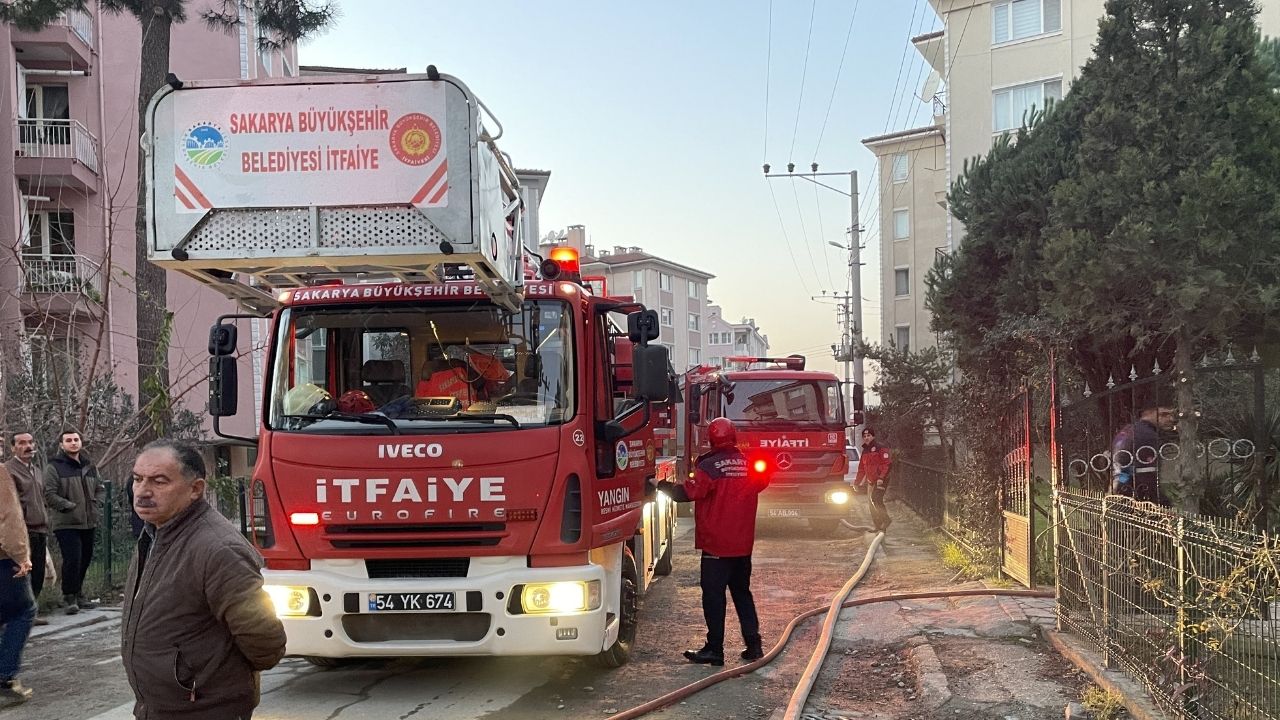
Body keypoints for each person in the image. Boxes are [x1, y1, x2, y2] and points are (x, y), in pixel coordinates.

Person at [123, 440, 286, 720]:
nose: (143, 491)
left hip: (205, 709)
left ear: (195, 489)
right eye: (138, 479)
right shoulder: (156, 534)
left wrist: (213, 677)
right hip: (163, 707)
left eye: (159, 481)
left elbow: (264, 639)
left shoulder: (218, 549)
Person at [657, 417, 767, 666]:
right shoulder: (748, 464)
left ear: (711, 438)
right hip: (742, 545)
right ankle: (754, 645)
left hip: (716, 546)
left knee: (714, 597)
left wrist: (660, 485)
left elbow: (687, 493)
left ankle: (715, 649)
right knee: (742, 593)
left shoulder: (708, 466)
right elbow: (762, 481)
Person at [42, 429, 104, 614]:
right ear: (62, 445)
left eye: (76, 439)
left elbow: (101, 488)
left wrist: (96, 503)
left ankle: (79, 594)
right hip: (66, 522)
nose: (73, 442)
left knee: (85, 559)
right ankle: (68, 596)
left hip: (88, 521)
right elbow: (49, 494)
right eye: (68, 440)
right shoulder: (54, 467)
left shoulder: (89, 466)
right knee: (73, 559)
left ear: (81, 442)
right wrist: (69, 506)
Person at [5, 432, 48, 625]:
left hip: (40, 527)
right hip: (22, 529)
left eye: (30, 442)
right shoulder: (8, 470)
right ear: (13, 447)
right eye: (22, 443)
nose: (28, 446)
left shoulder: (36, 470)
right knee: (21, 572)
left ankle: (32, 609)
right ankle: (18, 612)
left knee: (38, 571)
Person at [0, 465, 35, 703]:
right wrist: (21, 556)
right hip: (4, 559)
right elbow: (8, 515)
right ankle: (6, 676)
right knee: (23, 610)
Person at [1111, 403, 1175, 505]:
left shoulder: (1127, 431)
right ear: (1148, 413)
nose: (1170, 419)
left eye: (1171, 414)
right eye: (1164, 414)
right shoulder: (1146, 435)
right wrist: (1162, 503)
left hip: (1119, 492)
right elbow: (1146, 475)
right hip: (1136, 500)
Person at [854, 428, 894, 533]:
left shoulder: (881, 448)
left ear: (873, 436)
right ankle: (878, 526)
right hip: (871, 481)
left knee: (876, 499)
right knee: (871, 504)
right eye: (864, 436)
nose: (866, 438)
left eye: (868, 436)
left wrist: (881, 478)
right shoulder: (865, 451)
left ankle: (886, 520)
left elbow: (887, 464)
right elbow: (861, 468)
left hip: (881, 479)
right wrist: (857, 482)